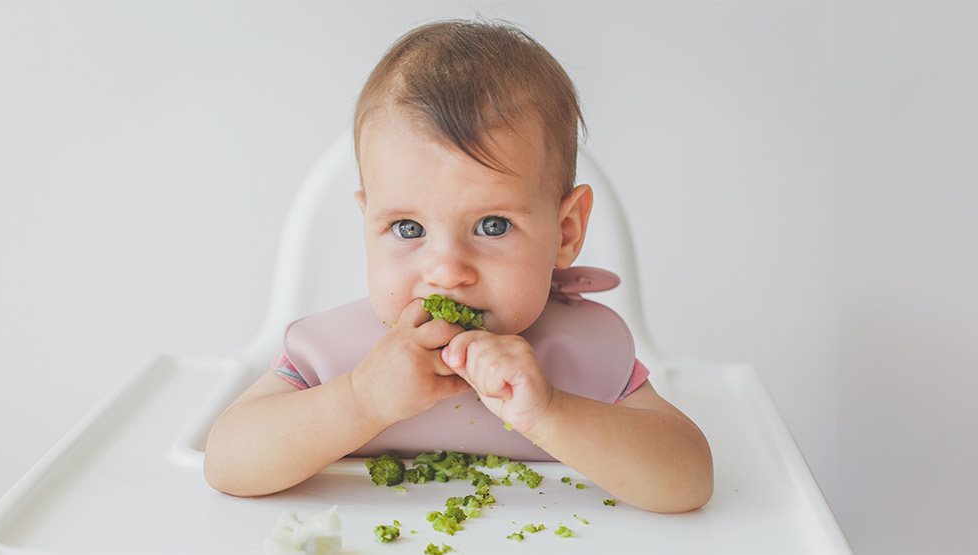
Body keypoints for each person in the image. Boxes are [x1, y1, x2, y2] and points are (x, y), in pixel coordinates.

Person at [204, 17, 712, 513]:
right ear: (368, 225)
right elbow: (226, 462)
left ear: (566, 232)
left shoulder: (583, 358)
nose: (445, 272)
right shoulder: (338, 358)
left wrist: (551, 413)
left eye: (492, 226)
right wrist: (361, 401)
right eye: (408, 229)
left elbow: (688, 480)